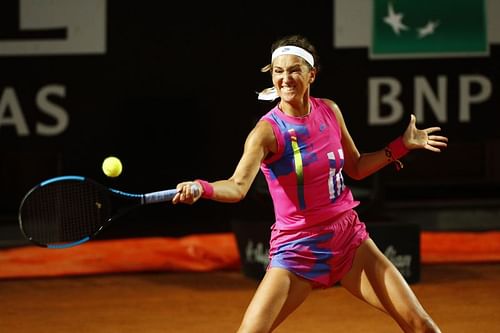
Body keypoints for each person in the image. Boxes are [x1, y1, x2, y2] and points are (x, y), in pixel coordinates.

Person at [172, 34, 447, 333]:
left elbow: (355, 167)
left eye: (294, 70)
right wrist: (202, 187)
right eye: (278, 71)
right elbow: (237, 187)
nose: (285, 78)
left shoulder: (329, 111)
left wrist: (401, 145)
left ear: (311, 74)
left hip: (348, 240)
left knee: (422, 326)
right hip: (296, 250)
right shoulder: (266, 132)